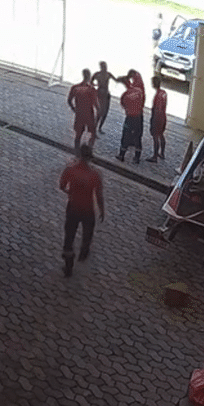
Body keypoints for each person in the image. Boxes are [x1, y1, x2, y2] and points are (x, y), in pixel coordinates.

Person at [59, 144, 104, 277]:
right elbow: (99, 195)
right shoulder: (95, 174)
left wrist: (69, 192)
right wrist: (102, 210)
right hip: (88, 209)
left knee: (69, 235)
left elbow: (62, 186)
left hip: (73, 207)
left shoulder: (70, 170)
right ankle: (84, 251)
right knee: (88, 233)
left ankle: (68, 265)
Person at [115, 69, 145, 164]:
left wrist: (128, 110)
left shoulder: (125, 95)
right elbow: (142, 102)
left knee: (126, 135)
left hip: (130, 118)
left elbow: (123, 105)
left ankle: (121, 155)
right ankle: (137, 158)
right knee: (138, 137)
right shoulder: (139, 91)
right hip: (139, 117)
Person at [67, 69, 99, 152]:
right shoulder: (91, 89)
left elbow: (69, 100)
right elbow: (95, 104)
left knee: (78, 134)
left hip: (79, 113)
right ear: (89, 77)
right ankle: (89, 150)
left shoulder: (75, 87)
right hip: (89, 114)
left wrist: (74, 109)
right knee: (93, 133)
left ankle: (76, 151)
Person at [146, 76, 167, 162]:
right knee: (161, 135)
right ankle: (162, 153)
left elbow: (157, 109)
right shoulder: (163, 93)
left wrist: (153, 119)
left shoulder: (158, 95)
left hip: (157, 118)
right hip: (163, 116)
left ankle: (155, 156)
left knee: (155, 137)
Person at [91, 61, 115, 134]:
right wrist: (96, 86)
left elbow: (116, 80)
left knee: (105, 112)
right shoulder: (99, 74)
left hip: (105, 94)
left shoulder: (107, 74)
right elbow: (91, 82)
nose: (105, 68)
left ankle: (99, 128)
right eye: (104, 66)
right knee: (100, 112)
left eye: (105, 66)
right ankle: (94, 128)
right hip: (101, 94)